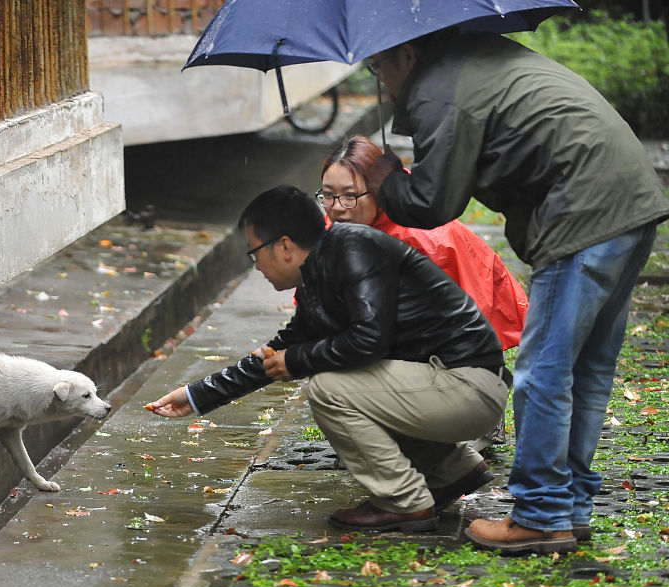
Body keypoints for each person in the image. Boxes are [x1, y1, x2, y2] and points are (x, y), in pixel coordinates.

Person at [363, 30, 669, 554]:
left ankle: (541, 515)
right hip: (631, 201)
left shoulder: (439, 88)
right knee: (586, 369)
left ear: (408, 54)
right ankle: (567, 508)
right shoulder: (475, 56)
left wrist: (386, 178)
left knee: (544, 371)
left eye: (379, 68)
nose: (382, 82)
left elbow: (434, 202)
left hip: (583, 212)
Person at [146, 186, 511, 536]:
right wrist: (197, 395)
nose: (256, 266)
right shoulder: (322, 269)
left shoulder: (353, 250)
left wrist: (297, 360)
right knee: (344, 377)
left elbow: (369, 338)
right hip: (451, 384)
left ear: (284, 246)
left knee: (329, 387)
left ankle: (404, 501)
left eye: (254, 253)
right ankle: (453, 470)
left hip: (468, 386)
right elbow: (280, 352)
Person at [319, 134, 527, 351]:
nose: (337, 208)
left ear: (378, 191)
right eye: (328, 195)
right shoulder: (340, 222)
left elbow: (435, 332)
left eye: (350, 196)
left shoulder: (422, 242)